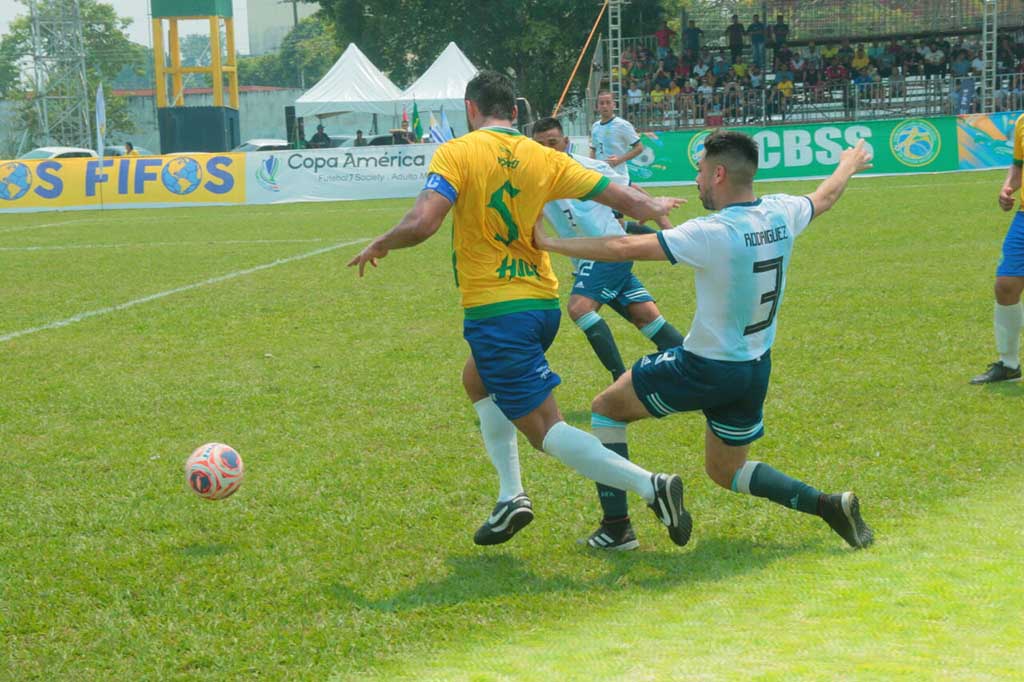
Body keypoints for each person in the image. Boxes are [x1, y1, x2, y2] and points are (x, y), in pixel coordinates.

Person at [348, 71, 691, 548]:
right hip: (541, 303)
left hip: (497, 309)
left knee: (545, 430)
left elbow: (424, 221)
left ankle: (650, 486)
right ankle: (511, 495)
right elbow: (623, 196)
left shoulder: (457, 151)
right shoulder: (544, 157)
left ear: (471, 109)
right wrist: (653, 207)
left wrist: (381, 243)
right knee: (477, 378)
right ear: (515, 112)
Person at [533, 129, 876, 551]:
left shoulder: (712, 231)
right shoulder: (781, 212)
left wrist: (549, 242)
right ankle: (828, 505)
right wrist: (848, 164)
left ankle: (617, 528)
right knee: (726, 471)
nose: (695, 181)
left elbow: (623, 245)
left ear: (717, 174)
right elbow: (824, 197)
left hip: (704, 366)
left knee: (605, 409)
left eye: (698, 172)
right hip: (754, 368)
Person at [533, 116, 687, 549]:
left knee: (579, 308)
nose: (549, 149)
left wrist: (660, 215)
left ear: (565, 140)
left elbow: (630, 193)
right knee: (648, 320)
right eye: (541, 144)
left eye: (553, 142)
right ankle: (701, 369)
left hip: (609, 254)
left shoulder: (592, 168)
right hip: (590, 261)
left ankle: (623, 378)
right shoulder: (535, 179)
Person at [972, 113, 1024, 383]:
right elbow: (1018, 167)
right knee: (1006, 285)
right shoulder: (1022, 122)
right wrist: (1007, 187)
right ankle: (1009, 364)